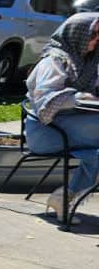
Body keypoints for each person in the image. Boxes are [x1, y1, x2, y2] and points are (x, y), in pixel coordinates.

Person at [25, 12, 99, 220]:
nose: (96, 40)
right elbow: (45, 100)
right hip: (45, 132)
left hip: (69, 125)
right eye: (93, 34)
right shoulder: (54, 60)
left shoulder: (88, 63)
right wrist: (82, 98)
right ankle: (67, 197)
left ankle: (64, 197)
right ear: (76, 34)